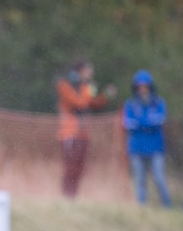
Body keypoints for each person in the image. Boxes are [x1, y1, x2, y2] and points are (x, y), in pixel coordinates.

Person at [56, 59, 116, 198]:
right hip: (69, 133)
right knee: (70, 167)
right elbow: (80, 103)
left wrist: (106, 95)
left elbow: (93, 104)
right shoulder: (64, 85)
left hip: (83, 134)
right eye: (89, 71)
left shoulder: (85, 87)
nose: (90, 74)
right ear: (80, 71)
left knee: (79, 168)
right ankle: (66, 195)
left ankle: (73, 196)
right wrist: (90, 90)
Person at [122, 69, 171, 206]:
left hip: (156, 148)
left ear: (150, 87)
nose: (143, 90)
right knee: (139, 180)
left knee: (159, 178)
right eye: (140, 87)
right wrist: (147, 123)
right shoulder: (130, 104)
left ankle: (167, 205)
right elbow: (128, 124)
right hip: (137, 148)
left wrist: (141, 123)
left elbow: (160, 121)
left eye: (145, 87)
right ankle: (142, 208)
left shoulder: (159, 103)